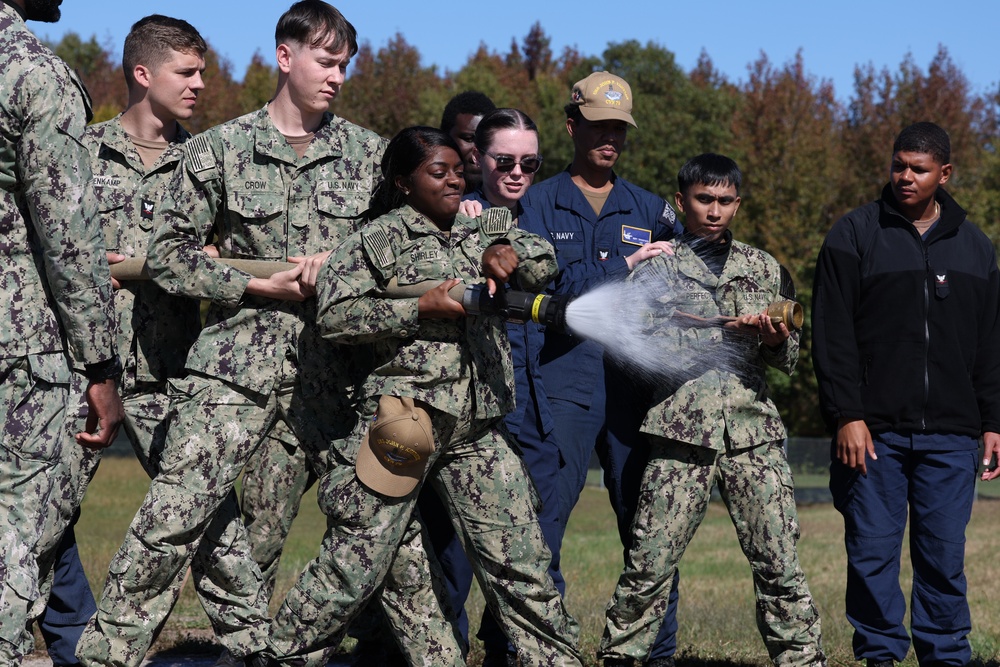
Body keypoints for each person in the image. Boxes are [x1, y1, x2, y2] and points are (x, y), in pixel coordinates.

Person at [77, 4, 458, 666]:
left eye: (346, 65)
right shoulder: (219, 149)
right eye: (325, 61)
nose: (337, 75)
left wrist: (342, 266)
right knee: (174, 517)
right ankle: (107, 656)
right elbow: (169, 254)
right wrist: (256, 284)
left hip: (340, 378)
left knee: (389, 545)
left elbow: (413, 250)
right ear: (285, 57)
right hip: (233, 370)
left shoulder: (372, 157)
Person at [266, 125, 583, 667]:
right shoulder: (375, 242)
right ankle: (282, 655)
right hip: (406, 420)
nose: (455, 180)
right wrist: (419, 310)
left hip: (478, 426)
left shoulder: (485, 227)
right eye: (439, 172)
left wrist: (506, 253)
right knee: (358, 560)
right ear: (404, 182)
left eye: (459, 170)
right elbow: (335, 317)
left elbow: (543, 262)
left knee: (521, 563)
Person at [599, 153, 825, 667]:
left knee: (779, 565)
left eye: (725, 201)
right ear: (682, 202)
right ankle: (621, 657)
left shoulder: (763, 267)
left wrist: (771, 338)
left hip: (753, 434)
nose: (715, 210)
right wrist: (723, 331)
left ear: (738, 204)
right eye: (704, 199)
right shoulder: (655, 268)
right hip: (681, 434)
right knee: (649, 563)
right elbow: (639, 349)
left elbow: (789, 358)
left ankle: (802, 659)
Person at [812, 121, 1000, 667]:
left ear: (944, 173)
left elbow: (991, 344)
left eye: (918, 169)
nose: (905, 177)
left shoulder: (977, 247)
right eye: (898, 165)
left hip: (953, 435)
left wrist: (993, 421)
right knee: (871, 555)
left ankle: (945, 656)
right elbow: (832, 333)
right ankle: (880, 656)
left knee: (943, 557)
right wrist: (847, 414)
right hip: (873, 434)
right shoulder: (853, 234)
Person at [520, 70, 682, 665]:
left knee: (648, 530)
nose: (609, 138)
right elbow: (543, 286)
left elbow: (682, 281)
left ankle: (654, 653)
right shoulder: (535, 203)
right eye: (597, 126)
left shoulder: (651, 208)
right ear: (572, 126)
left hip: (633, 386)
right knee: (542, 522)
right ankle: (533, 647)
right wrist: (625, 269)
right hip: (560, 381)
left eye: (619, 129)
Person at [0, 0, 123, 663]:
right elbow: (68, 237)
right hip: (22, 345)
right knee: (18, 536)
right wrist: (102, 364)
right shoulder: (31, 74)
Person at [440, 90, 495, 194]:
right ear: (445, 138)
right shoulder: (426, 201)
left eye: (486, 140)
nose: (477, 152)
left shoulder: (515, 203)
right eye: (469, 139)